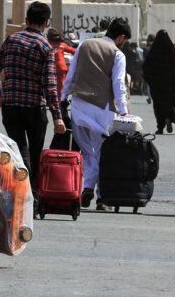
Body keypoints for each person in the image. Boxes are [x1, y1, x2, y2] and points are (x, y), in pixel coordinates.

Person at [0, 2, 67, 201]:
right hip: (35, 108)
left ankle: (24, 190)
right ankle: (32, 193)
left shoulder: (11, 40)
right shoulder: (45, 47)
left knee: (18, 148)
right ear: (46, 23)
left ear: (26, 20)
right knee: (35, 152)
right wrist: (58, 117)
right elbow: (49, 85)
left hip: (11, 107)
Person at [63, 17, 131, 211]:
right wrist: (124, 112)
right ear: (121, 37)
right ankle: (100, 197)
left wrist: (62, 98)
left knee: (86, 151)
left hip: (79, 105)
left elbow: (71, 74)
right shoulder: (117, 54)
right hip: (103, 109)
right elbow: (118, 84)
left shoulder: (84, 45)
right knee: (103, 152)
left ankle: (87, 186)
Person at [46, 27, 75, 101]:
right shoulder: (62, 45)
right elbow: (73, 51)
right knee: (61, 87)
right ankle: (60, 102)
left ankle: (51, 100)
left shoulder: (46, 44)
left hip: (49, 68)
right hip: (60, 68)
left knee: (49, 86)